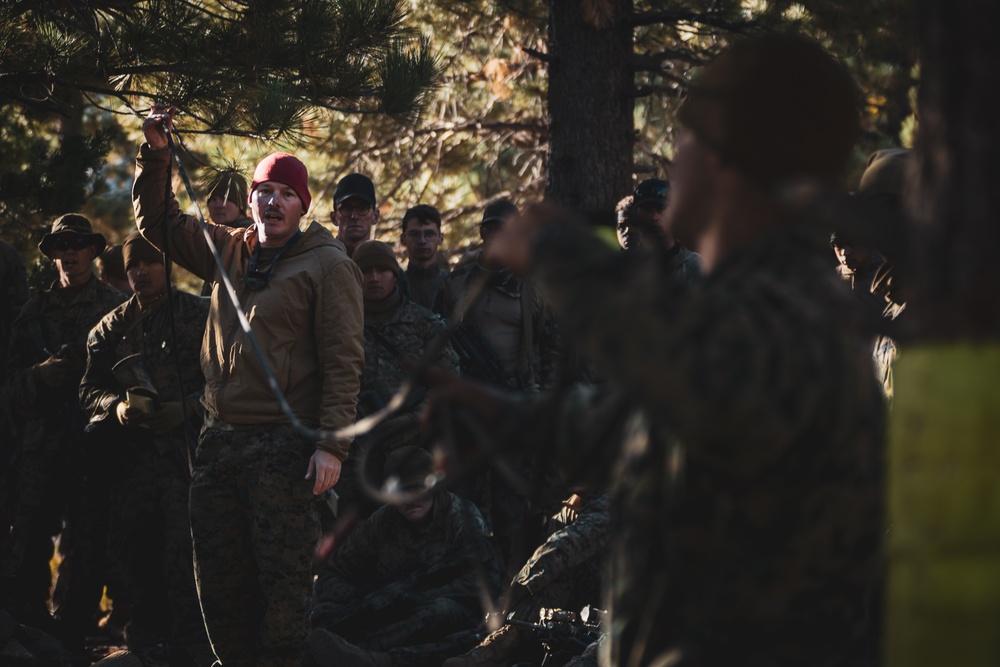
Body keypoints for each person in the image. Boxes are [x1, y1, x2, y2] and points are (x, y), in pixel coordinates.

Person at [429, 34, 884, 667]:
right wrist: (498, 415)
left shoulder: (792, 310)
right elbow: (648, 415)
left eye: (683, 144)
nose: (673, 168)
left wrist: (561, 255)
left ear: (728, 158)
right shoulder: (761, 294)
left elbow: (681, 366)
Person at [134, 105, 365, 667]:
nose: (272, 202)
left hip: (284, 448)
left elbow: (343, 362)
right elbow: (157, 223)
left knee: (283, 588)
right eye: (265, 190)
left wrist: (332, 446)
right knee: (218, 579)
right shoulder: (229, 249)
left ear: (302, 205)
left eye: (287, 193)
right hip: (219, 442)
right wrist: (158, 153)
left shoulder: (328, 265)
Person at [79, 231, 212, 666]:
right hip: (131, 466)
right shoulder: (109, 329)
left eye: (150, 263)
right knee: (135, 554)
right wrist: (115, 408)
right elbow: (89, 390)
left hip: (189, 461)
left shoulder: (201, 316)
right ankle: (144, 647)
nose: (141, 272)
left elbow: (228, 384)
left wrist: (187, 409)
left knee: (187, 553)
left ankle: (194, 648)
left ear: (167, 266)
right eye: (134, 266)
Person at [1, 214, 127, 648]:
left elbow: (133, 375)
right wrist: (42, 375)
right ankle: (31, 631)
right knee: (29, 541)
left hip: (92, 444)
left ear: (93, 251)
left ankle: (71, 637)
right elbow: (11, 386)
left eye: (76, 245)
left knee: (87, 545)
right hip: (40, 447)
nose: (68, 253)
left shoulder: (114, 306)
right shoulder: (33, 312)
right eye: (60, 246)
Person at [434, 199, 562, 582]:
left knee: (511, 507)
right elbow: (438, 339)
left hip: (514, 409)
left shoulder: (534, 287)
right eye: (492, 230)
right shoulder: (457, 282)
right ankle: (459, 585)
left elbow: (553, 348)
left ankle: (511, 588)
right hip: (467, 413)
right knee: (461, 503)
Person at [311, 447, 499, 667]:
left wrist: (418, 596)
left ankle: (368, 656)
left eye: (418, 488)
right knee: (327, 613)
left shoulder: (461, 517)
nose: (411, 498)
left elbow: (487, 582)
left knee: (438, 613)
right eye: (402, 490)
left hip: (453, 614)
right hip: (390, 608)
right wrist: (363, 598)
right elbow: (333, 574)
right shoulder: (383, 521)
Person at [333, 240, 458, 518]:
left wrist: (416, 416)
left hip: (414, 447)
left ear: (395, 275)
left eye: (382, 270)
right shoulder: (340, 323)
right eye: (366, 271)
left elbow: (449, 379)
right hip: (355, 450)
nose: (374, 278)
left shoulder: (423, 322)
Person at [445, 490, 610, 667]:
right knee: (554, 576)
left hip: (625, 607)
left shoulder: (616, 502)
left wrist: (512, 595)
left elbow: (562, 548)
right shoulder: (575, 504)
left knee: (555, 567)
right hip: (594, 602)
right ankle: (503, 642)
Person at [619, 179, 702, 283]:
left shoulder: (696, 267)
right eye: (647, 210)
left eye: (660, 209)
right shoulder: (624, 267)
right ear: (637, 214)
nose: (654, 217)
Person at [400, 205, 449, 310]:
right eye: (414, 234)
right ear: (403, 239)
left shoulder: (452, 285)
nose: (422, 241)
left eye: (429, 234)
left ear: (440, 238)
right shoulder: (395, 287)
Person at [331, 173, 379, 257]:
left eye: (363, 209)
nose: (354, 216)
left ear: (375, 216)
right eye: (346, 209)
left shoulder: (385, 264)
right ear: (334, 218)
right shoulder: (321, 263)